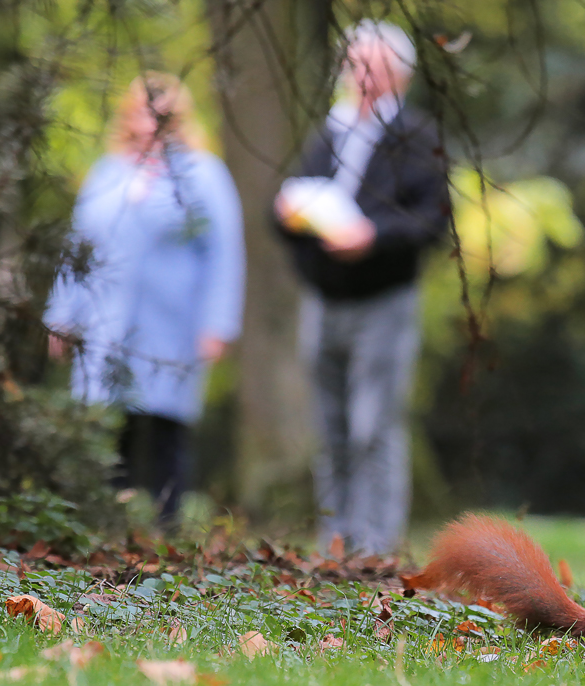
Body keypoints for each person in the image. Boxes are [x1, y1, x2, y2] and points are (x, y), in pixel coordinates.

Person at [274, 20, 451, 556]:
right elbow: (286, 207)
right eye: (354, 65)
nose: (361, 76)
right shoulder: (329, 134)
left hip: (384, 301)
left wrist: (372, 237)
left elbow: (433, 222)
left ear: (398, 74)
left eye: (372, 66)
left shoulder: (418, 137)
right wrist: (289, 214)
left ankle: (375, 545)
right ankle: (336, 540)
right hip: (323, 299)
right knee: (329, 427)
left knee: (373, 425)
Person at [45, 72, 246, 524]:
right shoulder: (107, 171)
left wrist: (218, 323)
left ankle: (166, 524)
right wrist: (60, 315)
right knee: (107, 425)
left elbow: (225, 254)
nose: (151, 119)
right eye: (143, 108)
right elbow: (77, 247)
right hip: (105, 323)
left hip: (173, 325)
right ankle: (103, 523)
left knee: (166, 426)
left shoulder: (203, 173)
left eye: (162, 111)